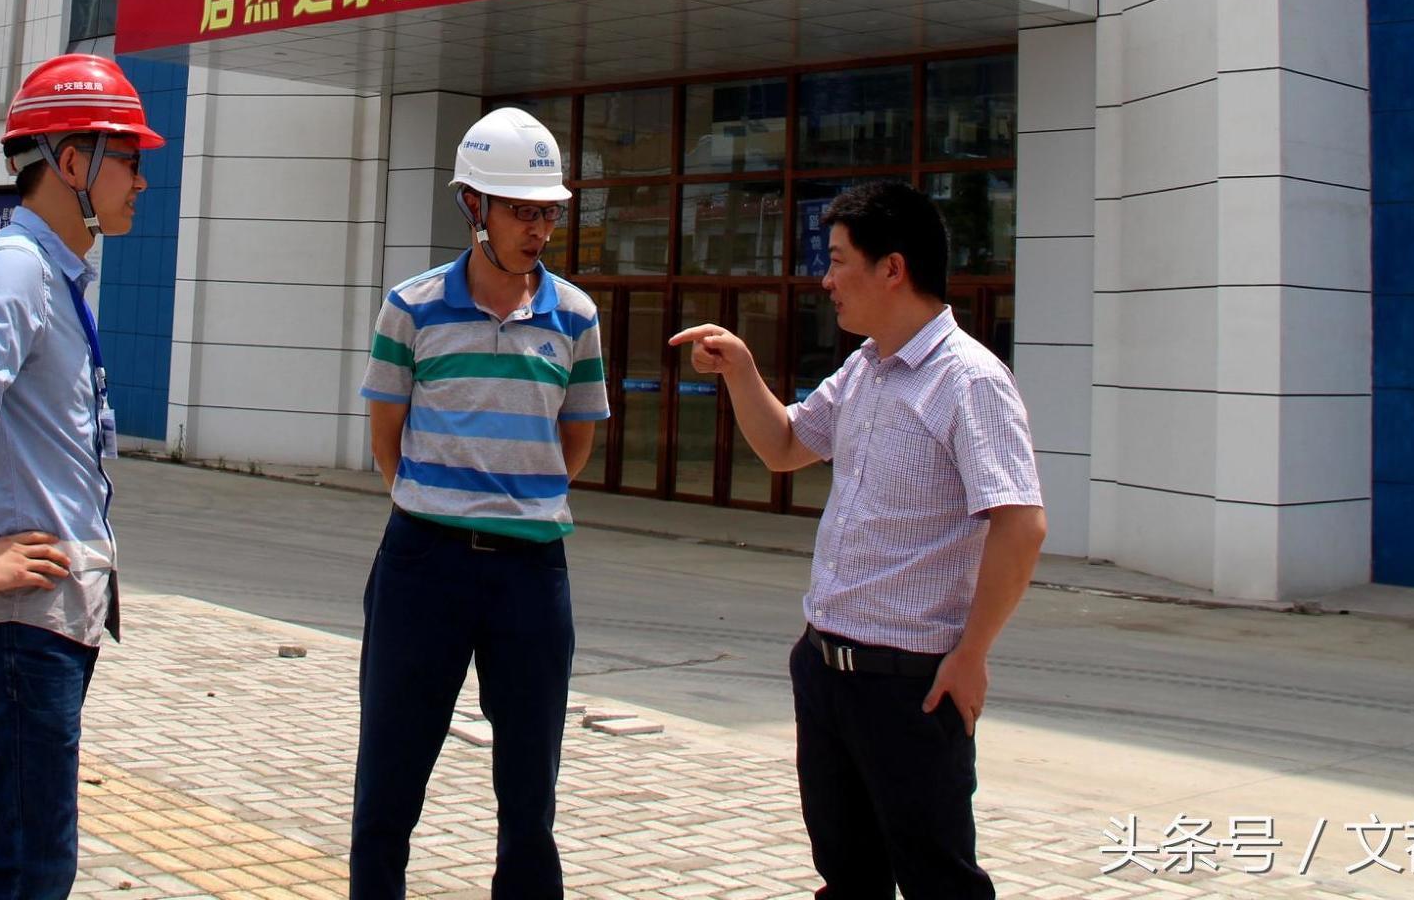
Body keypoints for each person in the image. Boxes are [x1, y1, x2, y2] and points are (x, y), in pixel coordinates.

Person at [678, 179, 1045, 900]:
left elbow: (1019, 522)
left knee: (938, 881)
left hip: (907, 686)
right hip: (824, 668)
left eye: (839, 259)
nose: (826, 279)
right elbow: (786, 446)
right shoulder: (866, 367)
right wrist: (741, 371)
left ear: (892, 268)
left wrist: (970, 656)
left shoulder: (969, 381)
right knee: (847, 878)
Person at [0, 51, 163, 900]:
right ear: (71, 162)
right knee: (29, 866)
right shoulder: (18, 268)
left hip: (38, 622)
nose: (139, 181)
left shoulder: (55, 276)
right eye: (127, 159)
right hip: (17, 623)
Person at [352, 106, 609, 900]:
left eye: (547, 213)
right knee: (390, 780)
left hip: (532, 573)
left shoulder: (574, 316)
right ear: (474, 206)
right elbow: (386, 438)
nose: (536, 229)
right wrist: (444, 501)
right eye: (520, 211)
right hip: (421, 565)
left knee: (528, 793)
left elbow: (576, 439)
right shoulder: (412, 307)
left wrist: (515, 497)